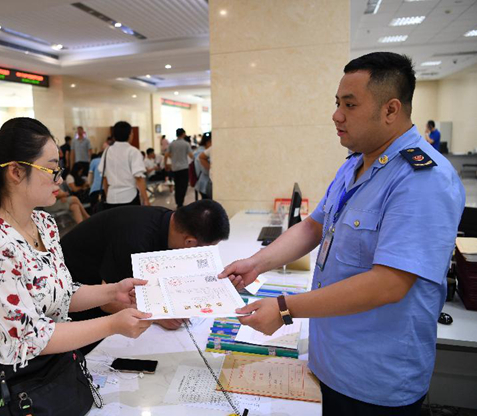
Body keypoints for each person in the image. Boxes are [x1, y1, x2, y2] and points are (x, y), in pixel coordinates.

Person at [220, 52, 465, 415]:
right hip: (329, 361)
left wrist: (285, 308)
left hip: (374, 381)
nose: (336, 115)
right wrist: (257, 263)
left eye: (350, 105)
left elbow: (389, 284)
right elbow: (314, 226)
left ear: (390, 110)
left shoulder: (422, 180)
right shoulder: (355, 163)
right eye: (337, 103)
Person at [0, 117, 152, 416]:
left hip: (49, 373)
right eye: (52, 169)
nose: (60, 179)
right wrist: (112, 324)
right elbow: (27, 337)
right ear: (16, 172)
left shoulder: (43, 223)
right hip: (4, 389)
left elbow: (60, 293)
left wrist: (113, 292)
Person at [60, 200, 230, 343]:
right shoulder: (134, 241)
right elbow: (108, 302)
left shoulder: (170, 223)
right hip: (69, 293)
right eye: (204, 250)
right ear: (190, 242)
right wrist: (158, 317)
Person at [98, 121, 150, 209]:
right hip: (129, 197)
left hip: (111, 198)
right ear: (129, 134)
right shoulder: (133, 151)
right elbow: (138, 178)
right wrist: (146, 199)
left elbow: (104, 177)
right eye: (132, 132)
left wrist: (107, 195)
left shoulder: (107, 151)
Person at [164, 128, 193, 208]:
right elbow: (191, 155)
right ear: (183, 134)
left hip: (175, 168)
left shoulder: (172, 144)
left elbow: (166, 155)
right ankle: (181, 202)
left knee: (177, 185)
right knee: (183, 186)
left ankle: (178, 202)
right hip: (184, 168)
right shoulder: (186, 144)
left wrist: (165, 164)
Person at [195, 132, 212, 199]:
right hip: (205, 183)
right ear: (208, 142)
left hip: (202, 182)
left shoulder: (198, 151)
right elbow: (205, 170)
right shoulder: (203, 153)